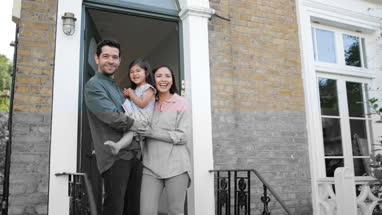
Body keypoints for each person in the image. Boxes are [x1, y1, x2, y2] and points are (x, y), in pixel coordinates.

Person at [84, 39, 144, 215]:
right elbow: (110, 116)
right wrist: (136, 124)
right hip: (115, 157)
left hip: (132, 154)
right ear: (97, 58)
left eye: (115, 57)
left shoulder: (115, 87)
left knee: (132, 210)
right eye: (106, 56)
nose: (111, 60)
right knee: (114, 209)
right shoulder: (94, 85)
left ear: (119, 60)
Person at [137, 65, 191, 215]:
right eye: (159, 76)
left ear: (172, 80)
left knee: (175, 212)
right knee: (146, 212)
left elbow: (183, 136)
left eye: (167, 76)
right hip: (150, 166)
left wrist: (152, 133)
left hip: (177, 166)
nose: (163, 79)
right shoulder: (147, 104)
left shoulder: (181, 102)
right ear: (153, 80)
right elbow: (138, 127)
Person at [105, 59, 156, 155]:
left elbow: (142, 103)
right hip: (134, 116)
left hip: (142, 118)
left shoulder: (148, 88)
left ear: (147, 73)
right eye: (132, 72)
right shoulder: (135, 89)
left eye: (138, 71)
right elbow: (134, 103)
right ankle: (116, 146)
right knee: (127, 131)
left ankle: (118, 146)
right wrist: (127, 96)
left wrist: (131, 94)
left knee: (129, 131)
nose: (134, 74)